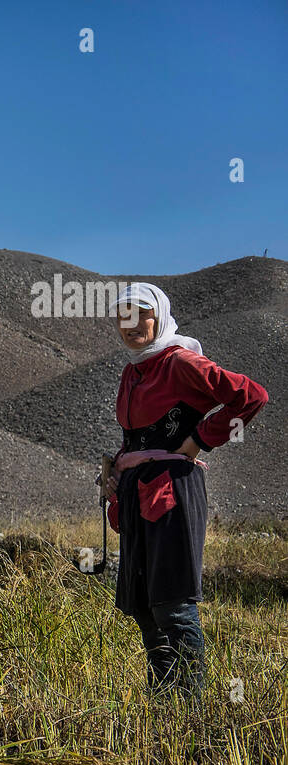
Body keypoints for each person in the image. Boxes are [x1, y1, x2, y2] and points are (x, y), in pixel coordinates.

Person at [103, 283, 268, 697]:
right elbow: (139, 437)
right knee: (143, 604)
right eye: (123, 315)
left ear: (159, 316)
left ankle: (190, 708)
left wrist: (199, 441)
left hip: (172, 492)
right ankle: (165, 703)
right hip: (137, 492)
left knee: (172, 604)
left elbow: (251, 397)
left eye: (141, 313)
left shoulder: (180, 362)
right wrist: (114, 466)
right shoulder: (132, 371)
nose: (131, 324)